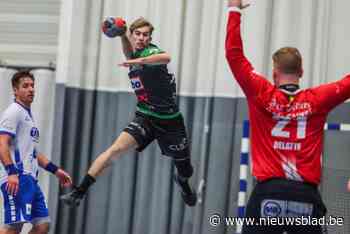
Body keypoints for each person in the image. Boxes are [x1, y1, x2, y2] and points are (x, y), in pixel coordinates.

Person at [226, 1, 350, 233]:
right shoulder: (318, 99)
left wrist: (234, 9)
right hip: (305, 196)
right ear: (301, 72)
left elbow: (234, 56)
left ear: (274, 73)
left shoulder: (261, 92)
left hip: (267, 193)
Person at [60, 17, 197, 207]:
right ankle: (78, 192)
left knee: (186, 170)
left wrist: (137, 59)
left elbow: (166, 57)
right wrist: (122, 34)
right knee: (114, 150)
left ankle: (182, 182)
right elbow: (128, 52)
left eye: (145, 35)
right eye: (137, 34)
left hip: (170, 121)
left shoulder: (151, 52)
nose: (141, 38)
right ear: (132, 35)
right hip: (146, 117)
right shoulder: (133, 53)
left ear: (150, 37)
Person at [0, 71, 72, 234]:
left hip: (30, 179)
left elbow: (32, 152)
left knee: (42, 225)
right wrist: (11, 172)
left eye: (32, 86)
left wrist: (56, 170)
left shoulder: (27, 116)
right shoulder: (13, 112)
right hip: (18, 177)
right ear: (15, 90)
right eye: (25, 86)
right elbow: (1, 143)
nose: (31, 89)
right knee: (14, 227)